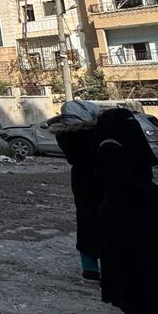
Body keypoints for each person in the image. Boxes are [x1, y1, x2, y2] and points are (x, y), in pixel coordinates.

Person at [94, 108, 158, 314]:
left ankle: (141, 313)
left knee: (136, 266)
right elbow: (129, 185)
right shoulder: (111, 149)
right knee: (142, 267)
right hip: (127, 217)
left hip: (134, 215)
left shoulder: (117, 147)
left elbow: (139, 181)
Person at [52, 101, 104, 280]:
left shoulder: (63, 135)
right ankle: (110, 266)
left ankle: (89, 268)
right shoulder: (94, 135)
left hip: (80, 181)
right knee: (107, 224)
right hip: (99, 179)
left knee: (85, 221)